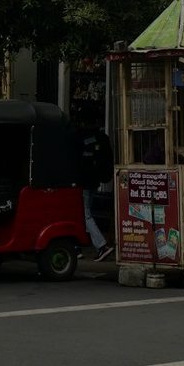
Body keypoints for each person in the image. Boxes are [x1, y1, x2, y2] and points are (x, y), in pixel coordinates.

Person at [74, 102, 114, 259]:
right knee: (83, 213)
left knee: (84, 214)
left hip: (80, 182)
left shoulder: (79, 136)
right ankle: (77, 245)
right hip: (94, 181)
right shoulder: (101, 137)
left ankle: (101, 246)